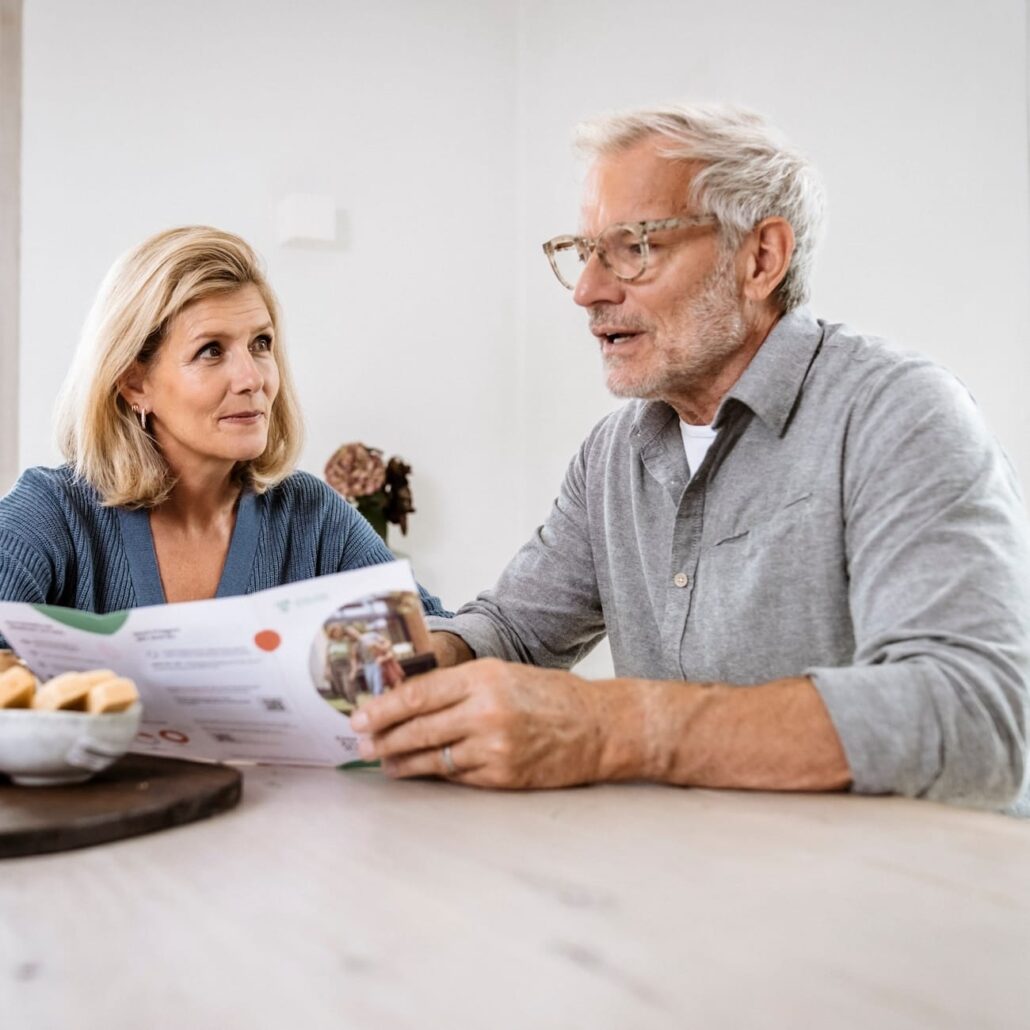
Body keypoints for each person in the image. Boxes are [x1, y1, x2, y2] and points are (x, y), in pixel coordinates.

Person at [352, 103, 1030, 808]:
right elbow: (517, 628)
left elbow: (974, 718)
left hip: (893, 894)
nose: (588, 291)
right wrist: (418, 657)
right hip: (694, 881)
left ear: (760, 258)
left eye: (635, 246)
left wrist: (615, 726)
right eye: (583, 251)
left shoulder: (901, 414)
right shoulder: (612, 454)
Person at [0, 226, 445, 632]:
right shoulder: (52, 513)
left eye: (261, 344)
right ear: (135, 383)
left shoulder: (314, 519)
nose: (252, 378)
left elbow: (439, 640)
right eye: (211, 350)